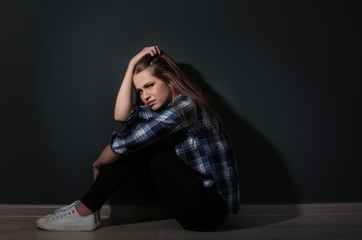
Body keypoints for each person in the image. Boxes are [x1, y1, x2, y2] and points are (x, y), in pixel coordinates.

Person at [36, 46, 239, 232]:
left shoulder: (185, 107)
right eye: (140, 90)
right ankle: (86, 209)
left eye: (150, 85)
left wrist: (98, 164)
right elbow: (122, 115)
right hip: (199, 204)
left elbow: (127, 143)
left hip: (207, 212)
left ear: (169, 79)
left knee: (142, 142)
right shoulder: (168, 108)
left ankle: (85, 210)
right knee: (141, 134)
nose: (145, 96)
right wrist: (131, 66)